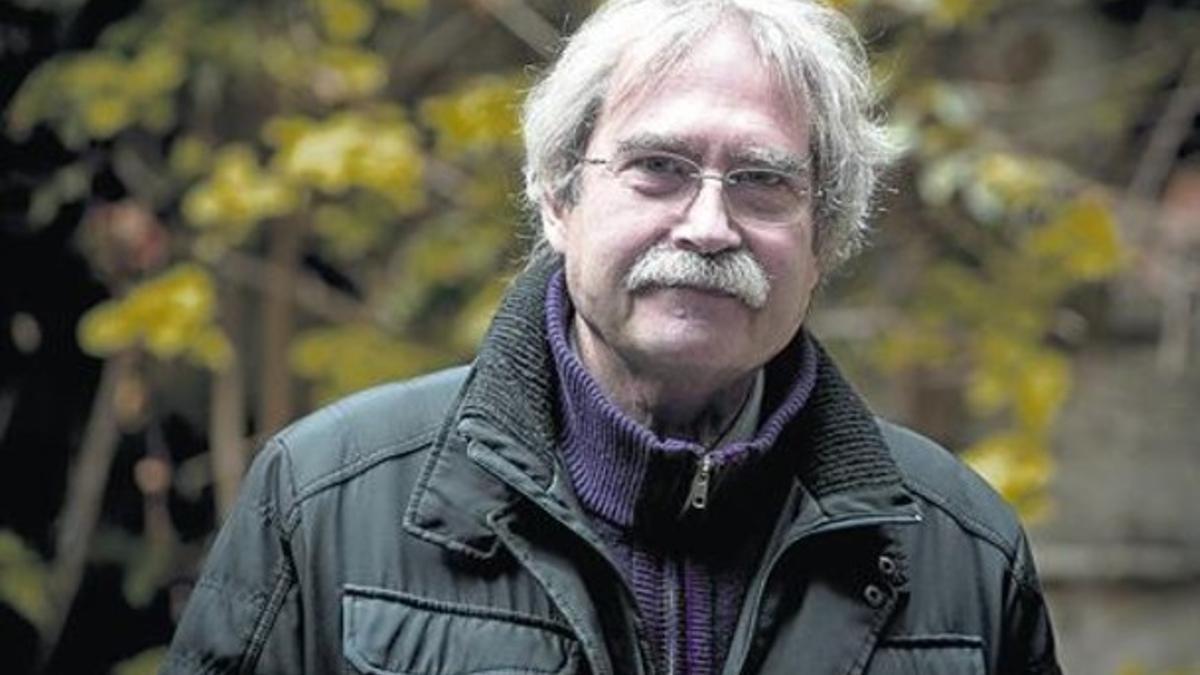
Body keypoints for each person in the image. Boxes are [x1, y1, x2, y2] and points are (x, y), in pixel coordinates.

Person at [165, 0, 1061, 673]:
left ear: (823, 237)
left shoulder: (963, 552)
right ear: (559, 197)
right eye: (658, 169)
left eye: (760, 182)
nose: (709, 224)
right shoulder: (325, 500)